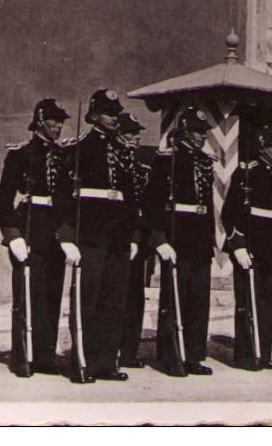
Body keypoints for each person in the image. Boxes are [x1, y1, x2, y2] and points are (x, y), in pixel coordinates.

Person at [57, 88, 138, 382]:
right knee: (87, 301)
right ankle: (81, 362)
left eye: (117, 113)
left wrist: (132, 237)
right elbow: (62, 199)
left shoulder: (123, 151)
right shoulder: (78, 150)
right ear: (93, 115)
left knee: (114, 302)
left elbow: (130, 200)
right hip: (90, 237)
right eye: (108, 112)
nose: (115, 118)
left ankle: (106, 362)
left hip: (117, 238)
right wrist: (67, 238)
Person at [0, 98, 70, 377]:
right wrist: (12, 235)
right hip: (29, 231)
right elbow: (3, 200)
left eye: (61, 121)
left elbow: (67, 202)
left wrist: (68, 236)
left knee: (51, 297)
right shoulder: (21, 154)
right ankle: (22, 357)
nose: (58, 126)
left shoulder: (65, 155)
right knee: (27, 297)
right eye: (53, 120)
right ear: (39, 121)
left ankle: (46, 356)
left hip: (55, 235)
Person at [146, 107, 217, 376]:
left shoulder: (204, 162)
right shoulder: (168, 160)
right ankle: (170, 355)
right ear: (184, 132)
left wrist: (210, 239)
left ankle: (194, 355)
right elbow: (152, 202)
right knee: (175, 298)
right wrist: (160, 239)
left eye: (203, 132)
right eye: (197, 132)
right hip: (177, 239)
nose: (201, 137)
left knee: (198, 300)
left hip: (200, 240)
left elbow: (207, 205)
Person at [221, 125, 272, 370]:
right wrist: (237, 245)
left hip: (271, 250)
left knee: (270, 303)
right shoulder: (246, 173)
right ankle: (246, 355)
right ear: (262, 147)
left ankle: (265, 353)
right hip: (251, 249)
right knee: (248, 304)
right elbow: (229, 213)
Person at [116, 112, 152, 368]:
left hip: (136, 241)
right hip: (113, 238)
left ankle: (129, 350)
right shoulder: (113, 166)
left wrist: (140, 239)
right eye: (131, 132)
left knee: (134, 298)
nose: (137, 137)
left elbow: (145, 208)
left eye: (138, 132)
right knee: (111, 297)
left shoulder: (142, 171)